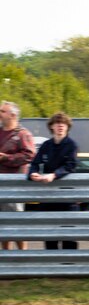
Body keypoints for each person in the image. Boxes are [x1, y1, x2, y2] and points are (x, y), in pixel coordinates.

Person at [28, 112, 79, 249]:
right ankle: (52, 268)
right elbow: (35, 163)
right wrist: (33, 173)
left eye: (63, 124)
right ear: (52, 127)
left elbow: (70, 166)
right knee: (50, 238)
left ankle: (70, 268)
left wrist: (53, 175)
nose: (60, 126)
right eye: (57, 124)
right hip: (48, 197)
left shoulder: (72, 145)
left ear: (68, 127)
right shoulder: (46, 145)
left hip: (68, 199)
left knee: (69, 238)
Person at [0, 100, 35, 250]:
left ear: (13, 115)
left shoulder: (22, 134)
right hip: (1, 185)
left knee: (17, 225)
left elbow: (29, 155)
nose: (0, 114)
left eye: (2, 111)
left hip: (15, 186)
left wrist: (6, 158)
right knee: (3, 225)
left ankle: (23, 259)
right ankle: (7, 260)